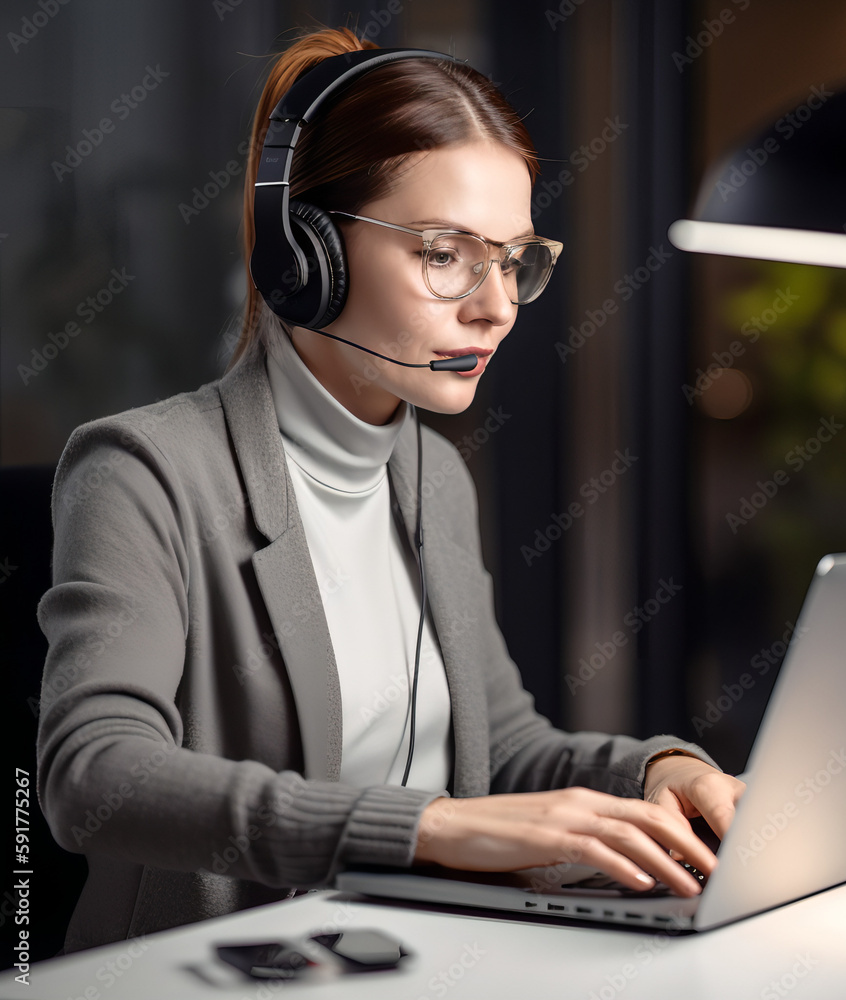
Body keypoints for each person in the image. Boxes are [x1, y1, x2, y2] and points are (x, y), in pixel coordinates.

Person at [36, 26, 744, 954]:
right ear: (307, 253)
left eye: (514, 259)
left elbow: (505, 746)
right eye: (446, 254)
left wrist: (657, 770)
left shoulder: (432, 475)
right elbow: (95, 779)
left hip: (413, 955)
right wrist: (428, 828)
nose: (495, 306)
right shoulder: (146, 472)